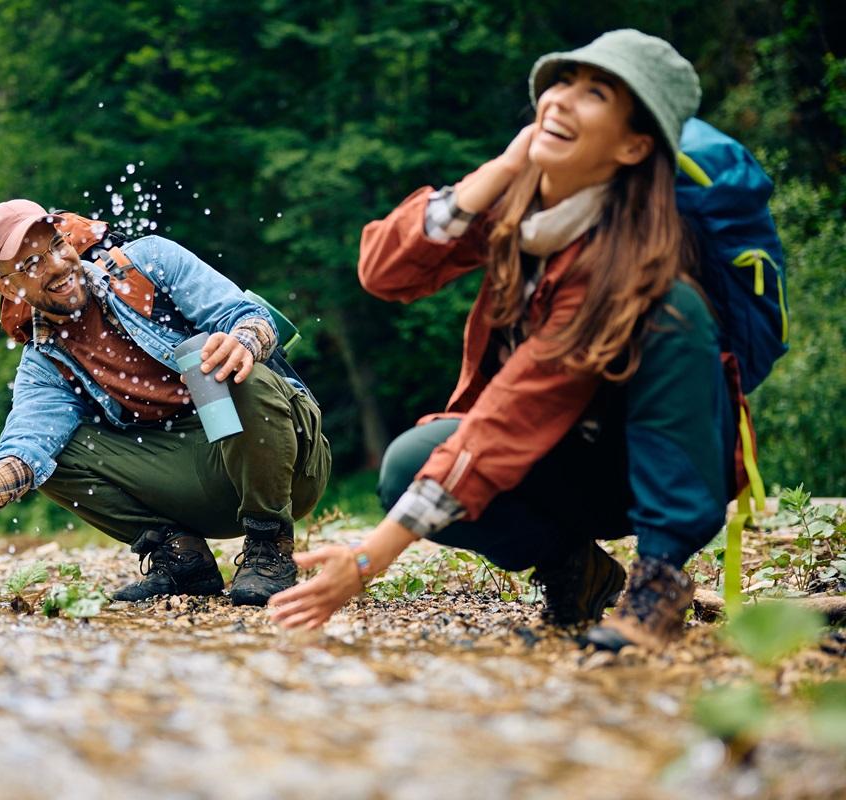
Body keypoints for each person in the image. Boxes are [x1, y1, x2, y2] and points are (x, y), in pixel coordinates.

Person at [271, 30, 740, 651]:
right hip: (553, 444)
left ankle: (658, 579)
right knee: (411, 462)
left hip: (624, 470)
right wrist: (500, 170)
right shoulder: (517, 208)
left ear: (633, 145)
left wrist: (371, 555)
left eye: (595, 92)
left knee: (673, 311)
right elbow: (384, 270)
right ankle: (578, 571)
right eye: (561, 82)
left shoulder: (622, 264)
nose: (561, 101)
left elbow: (515, 410)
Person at [0, 200, 331, 606]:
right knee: (49, 456)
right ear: (7, 288)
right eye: (29, 265)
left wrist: (244, 341)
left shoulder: (149, 261)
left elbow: (247, 314)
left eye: (55, 245)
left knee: (230, 369)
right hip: (202, 480)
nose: (56, 265)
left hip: (289, 464)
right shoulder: (45, 363)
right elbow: (22, 455)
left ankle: (270, 548)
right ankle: (182, 559)